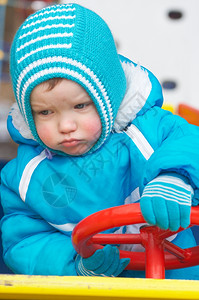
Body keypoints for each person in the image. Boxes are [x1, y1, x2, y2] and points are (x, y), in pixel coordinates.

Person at [1, 3, 199, 279]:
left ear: (109, 97)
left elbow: (190, 142)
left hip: (183, 274)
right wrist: (76, 266)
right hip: (97, 287)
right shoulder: (25, 178)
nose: (66, 126)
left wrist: (176, 177)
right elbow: (23, 242)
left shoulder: (150, 130)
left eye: (81, 106)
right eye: (45, 112)